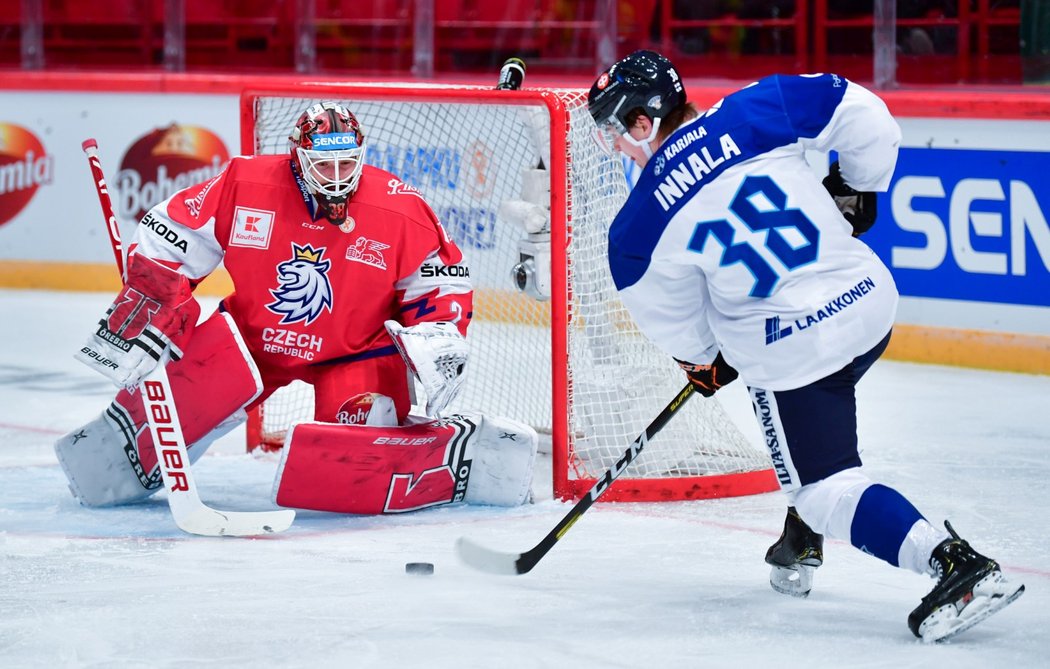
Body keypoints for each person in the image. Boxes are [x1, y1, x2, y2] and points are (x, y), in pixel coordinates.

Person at [587, 50, 1024, 642]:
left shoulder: (636, 226)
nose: (614, 144)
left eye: (615, 127)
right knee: (804, 422)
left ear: (643, 121)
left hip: (796, 349)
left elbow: (678, 324)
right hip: (869, 303)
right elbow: (868, 115)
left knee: (823, 485)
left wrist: (705, 361)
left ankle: (952, 564)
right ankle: (800, 534)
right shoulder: (756, 106)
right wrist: (857, 185)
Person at [55, 101, 536, 515]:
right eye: (323, 166)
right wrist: (154, 301)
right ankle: (132, 449)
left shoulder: (398, 206)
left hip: (356, 352)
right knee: (160, 426)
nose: (335, 178)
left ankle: (448, 456)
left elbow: (440, 275)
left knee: (353, 472)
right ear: (297, 154)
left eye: (346, 165)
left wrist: (439, 332)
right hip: (252, 342)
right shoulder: (245, 182)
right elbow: (170, 232)